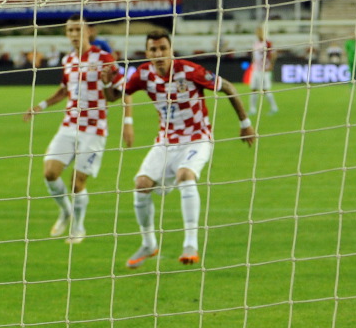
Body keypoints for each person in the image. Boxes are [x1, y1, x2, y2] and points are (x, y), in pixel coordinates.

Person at [113, 30, 255, 268]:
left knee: (185, 175)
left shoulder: (189, 71)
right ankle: (149, 244)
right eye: (153, 50)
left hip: (197, 138)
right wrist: (109, 82)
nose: (158, 54)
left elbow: (228, 86)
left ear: (171, 50)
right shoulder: (143, 74)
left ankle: (191, 244)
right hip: (166, 141)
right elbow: (116, 95)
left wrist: (245, 123)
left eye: (163, 49)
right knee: (141, 185)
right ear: (147, 53)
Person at [23, 15, 125, 244]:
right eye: (70, 30)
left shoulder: (105, 58)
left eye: (78, 30)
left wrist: (107, 83)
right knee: (49, 173)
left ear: (89, 31)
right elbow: (63, 90)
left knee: (77, 182)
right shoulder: (68, 59)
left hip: (94, 128)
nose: (74, 34)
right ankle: (66, 211)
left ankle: (78, 227)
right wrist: (39, 106)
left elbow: (115, 96)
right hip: (69, 125)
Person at [249, 26, 278, 116]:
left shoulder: (268, 43)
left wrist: (271, 66)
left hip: (264, 69)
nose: (258, 34)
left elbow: (274, 54)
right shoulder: (256, 43)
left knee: (265, 90)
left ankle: (274, 107)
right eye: (257, 32)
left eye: (260, 32)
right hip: (256, 69)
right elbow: (254, 55)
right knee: (253, 89)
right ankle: (252, 109)